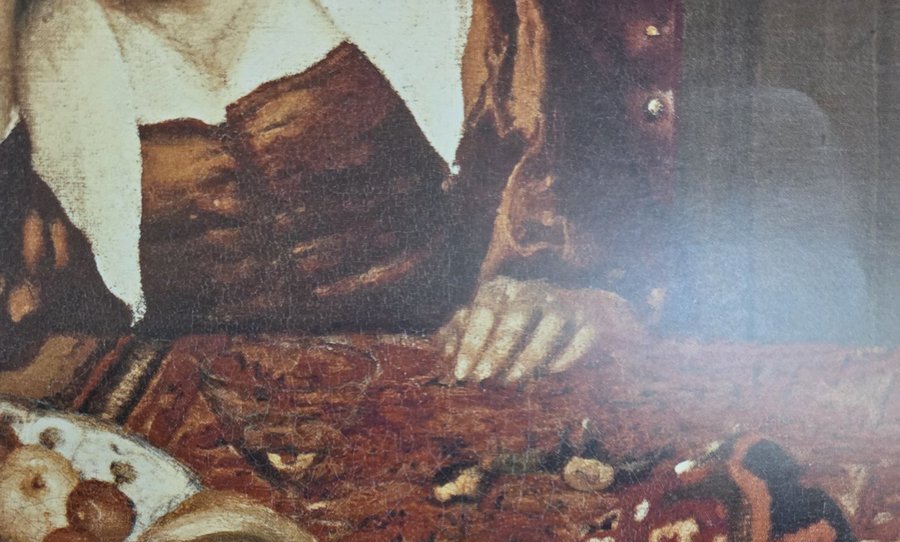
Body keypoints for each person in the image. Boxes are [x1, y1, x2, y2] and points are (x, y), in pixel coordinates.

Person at [0, 0, 654, 380]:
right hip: (197, 479)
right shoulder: (36, 68)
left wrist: (558, 292)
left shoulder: (474, 21)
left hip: (459, 414)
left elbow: (600, 234)